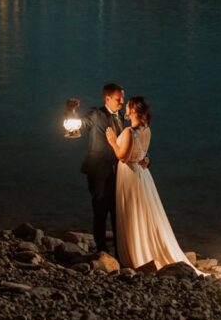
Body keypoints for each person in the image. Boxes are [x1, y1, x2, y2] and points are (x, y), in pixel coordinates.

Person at [107, 96, 199, 273]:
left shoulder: (129, 132)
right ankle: (147, 247)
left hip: (130, 175)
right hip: (142, 174)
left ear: (133, 110)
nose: (125, 107)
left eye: (127, 105)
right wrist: (146, 159)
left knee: (133, 213)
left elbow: (123, 157)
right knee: (145, 212)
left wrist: (112, 141)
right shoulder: (146, 129)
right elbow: (142, 153)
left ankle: (137, 252)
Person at [76, 83, 127, 254]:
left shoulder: (122, 117)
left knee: (117, 213)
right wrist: (70, 113)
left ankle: (120, 250)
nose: (122, 102)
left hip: (119, 173)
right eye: (118, 99)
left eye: (122, 98)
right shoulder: (96, 114)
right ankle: (101, 249)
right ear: (107, 98)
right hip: (99, 172)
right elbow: (81, 123)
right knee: (100, 211)